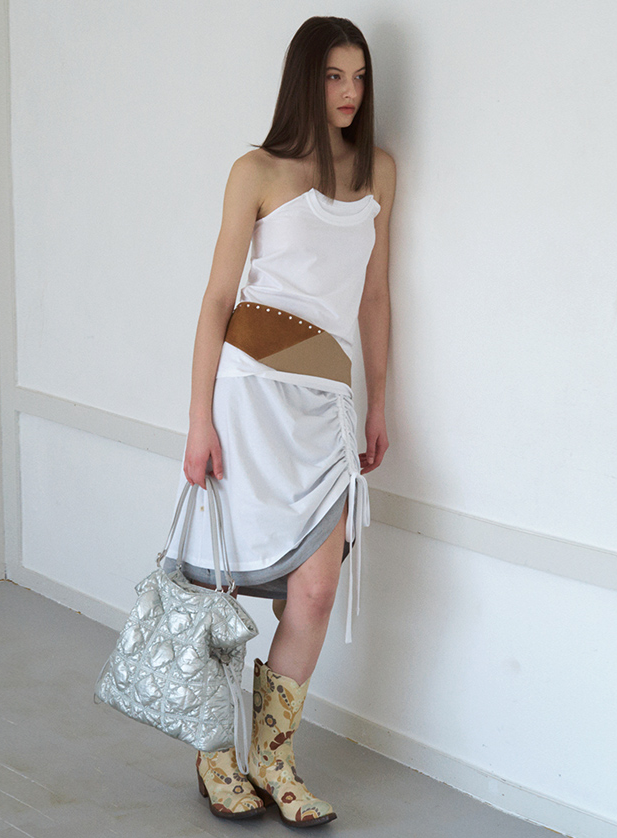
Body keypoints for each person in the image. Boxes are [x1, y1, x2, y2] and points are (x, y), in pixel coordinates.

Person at [167, 15, 395, 829]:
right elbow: (216, 301)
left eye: (359, 76)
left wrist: (380, 401)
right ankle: (215, 757)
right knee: (221, 586)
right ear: (306, 79)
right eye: (334, 76)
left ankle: (273, 758)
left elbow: (374, 295)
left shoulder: (379, 172)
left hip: (326, 402)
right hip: (249, 394)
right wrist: (199, 419)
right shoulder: (256, 171)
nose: (350, 92)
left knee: (317, 587)